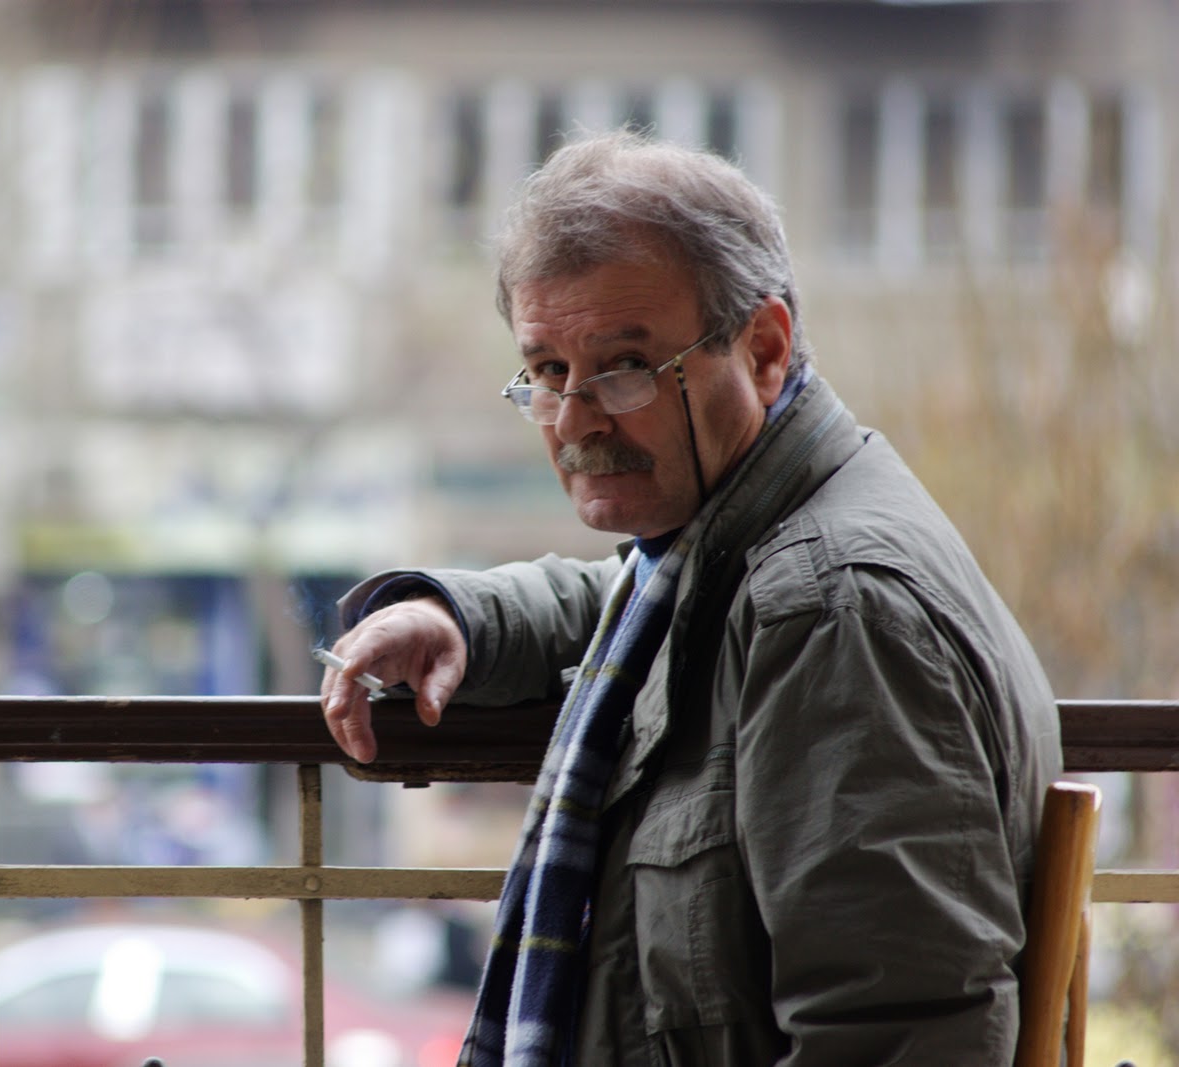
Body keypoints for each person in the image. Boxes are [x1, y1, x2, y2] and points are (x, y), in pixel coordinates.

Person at [317, 130, 1062, 1066]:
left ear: (764, 349)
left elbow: (896, 1039)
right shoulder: (741, 548)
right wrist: (460, 618)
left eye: (625, 366)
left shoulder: (830, 614)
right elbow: (625, 601)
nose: (577, 418)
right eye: (548, 371)